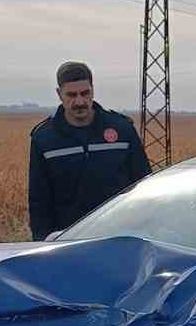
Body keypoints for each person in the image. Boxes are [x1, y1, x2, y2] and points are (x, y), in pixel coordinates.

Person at [28, 61, 151, 240]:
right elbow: (39, 201)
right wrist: (42, 244)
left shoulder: (122, 129)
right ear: (59, 94)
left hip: (119, 236)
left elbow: (143, 186)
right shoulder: (45, 139)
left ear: (93, 90)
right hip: (68, 240)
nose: (80, 101)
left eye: (85, 93)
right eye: (71, 95)